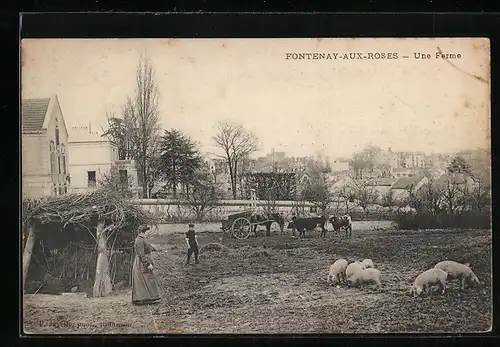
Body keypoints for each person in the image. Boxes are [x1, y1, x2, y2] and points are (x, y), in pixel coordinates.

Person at [131, 224, 160, 305]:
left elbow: (147, 246)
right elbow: (141, 254)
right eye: (145, 231)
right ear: (141, 232)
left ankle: (149, 297)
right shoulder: (139, 240)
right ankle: (142, 298)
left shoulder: (143, 239)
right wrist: (147, 264)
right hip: (141, 262)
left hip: (144, 260)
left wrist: (153, 248)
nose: (146, 233)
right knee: (143, 279)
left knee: (148, 278)